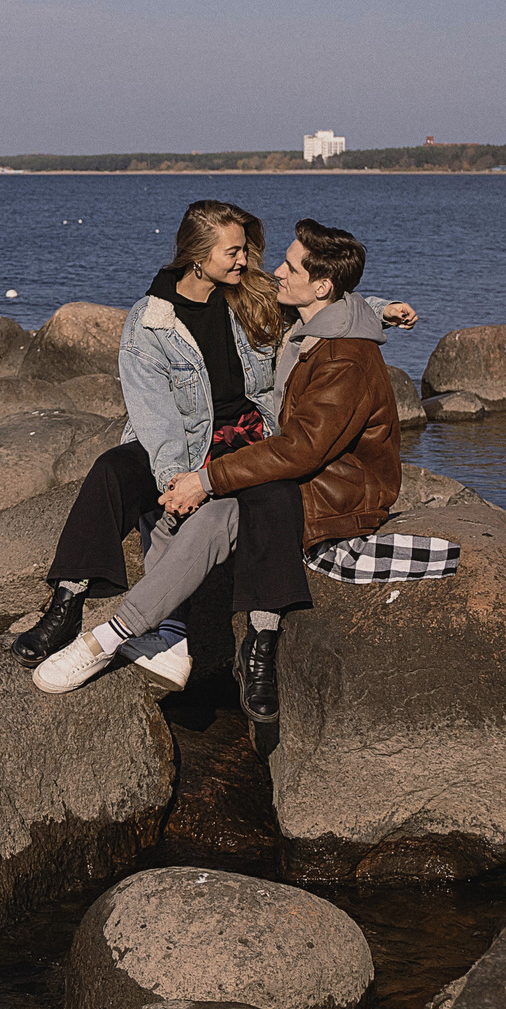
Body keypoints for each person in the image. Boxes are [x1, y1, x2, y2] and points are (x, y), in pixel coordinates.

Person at [8, 201, 412, 690]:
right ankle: (66, 604)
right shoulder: (150, 323)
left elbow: (324, 306)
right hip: (181, 440)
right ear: (199, 256)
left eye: (246, 249)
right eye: (234, 251)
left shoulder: (250, 294)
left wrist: (380, 311)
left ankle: (171, 630)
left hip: (249, 434)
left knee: (231, 505)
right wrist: (175, 484)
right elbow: (154, 417)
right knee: (113, 470)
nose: (247, 260)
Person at [157, 219, 406, 723]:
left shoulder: (345, 357)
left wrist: (207, 479)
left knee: (247, 497)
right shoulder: (312, 328)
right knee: (208, 499)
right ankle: (160, 627)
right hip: (313, 471)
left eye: (290, 266)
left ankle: (258, 643)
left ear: (321, 287)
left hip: (339, 495)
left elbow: (300, 450)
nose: (276, 272)